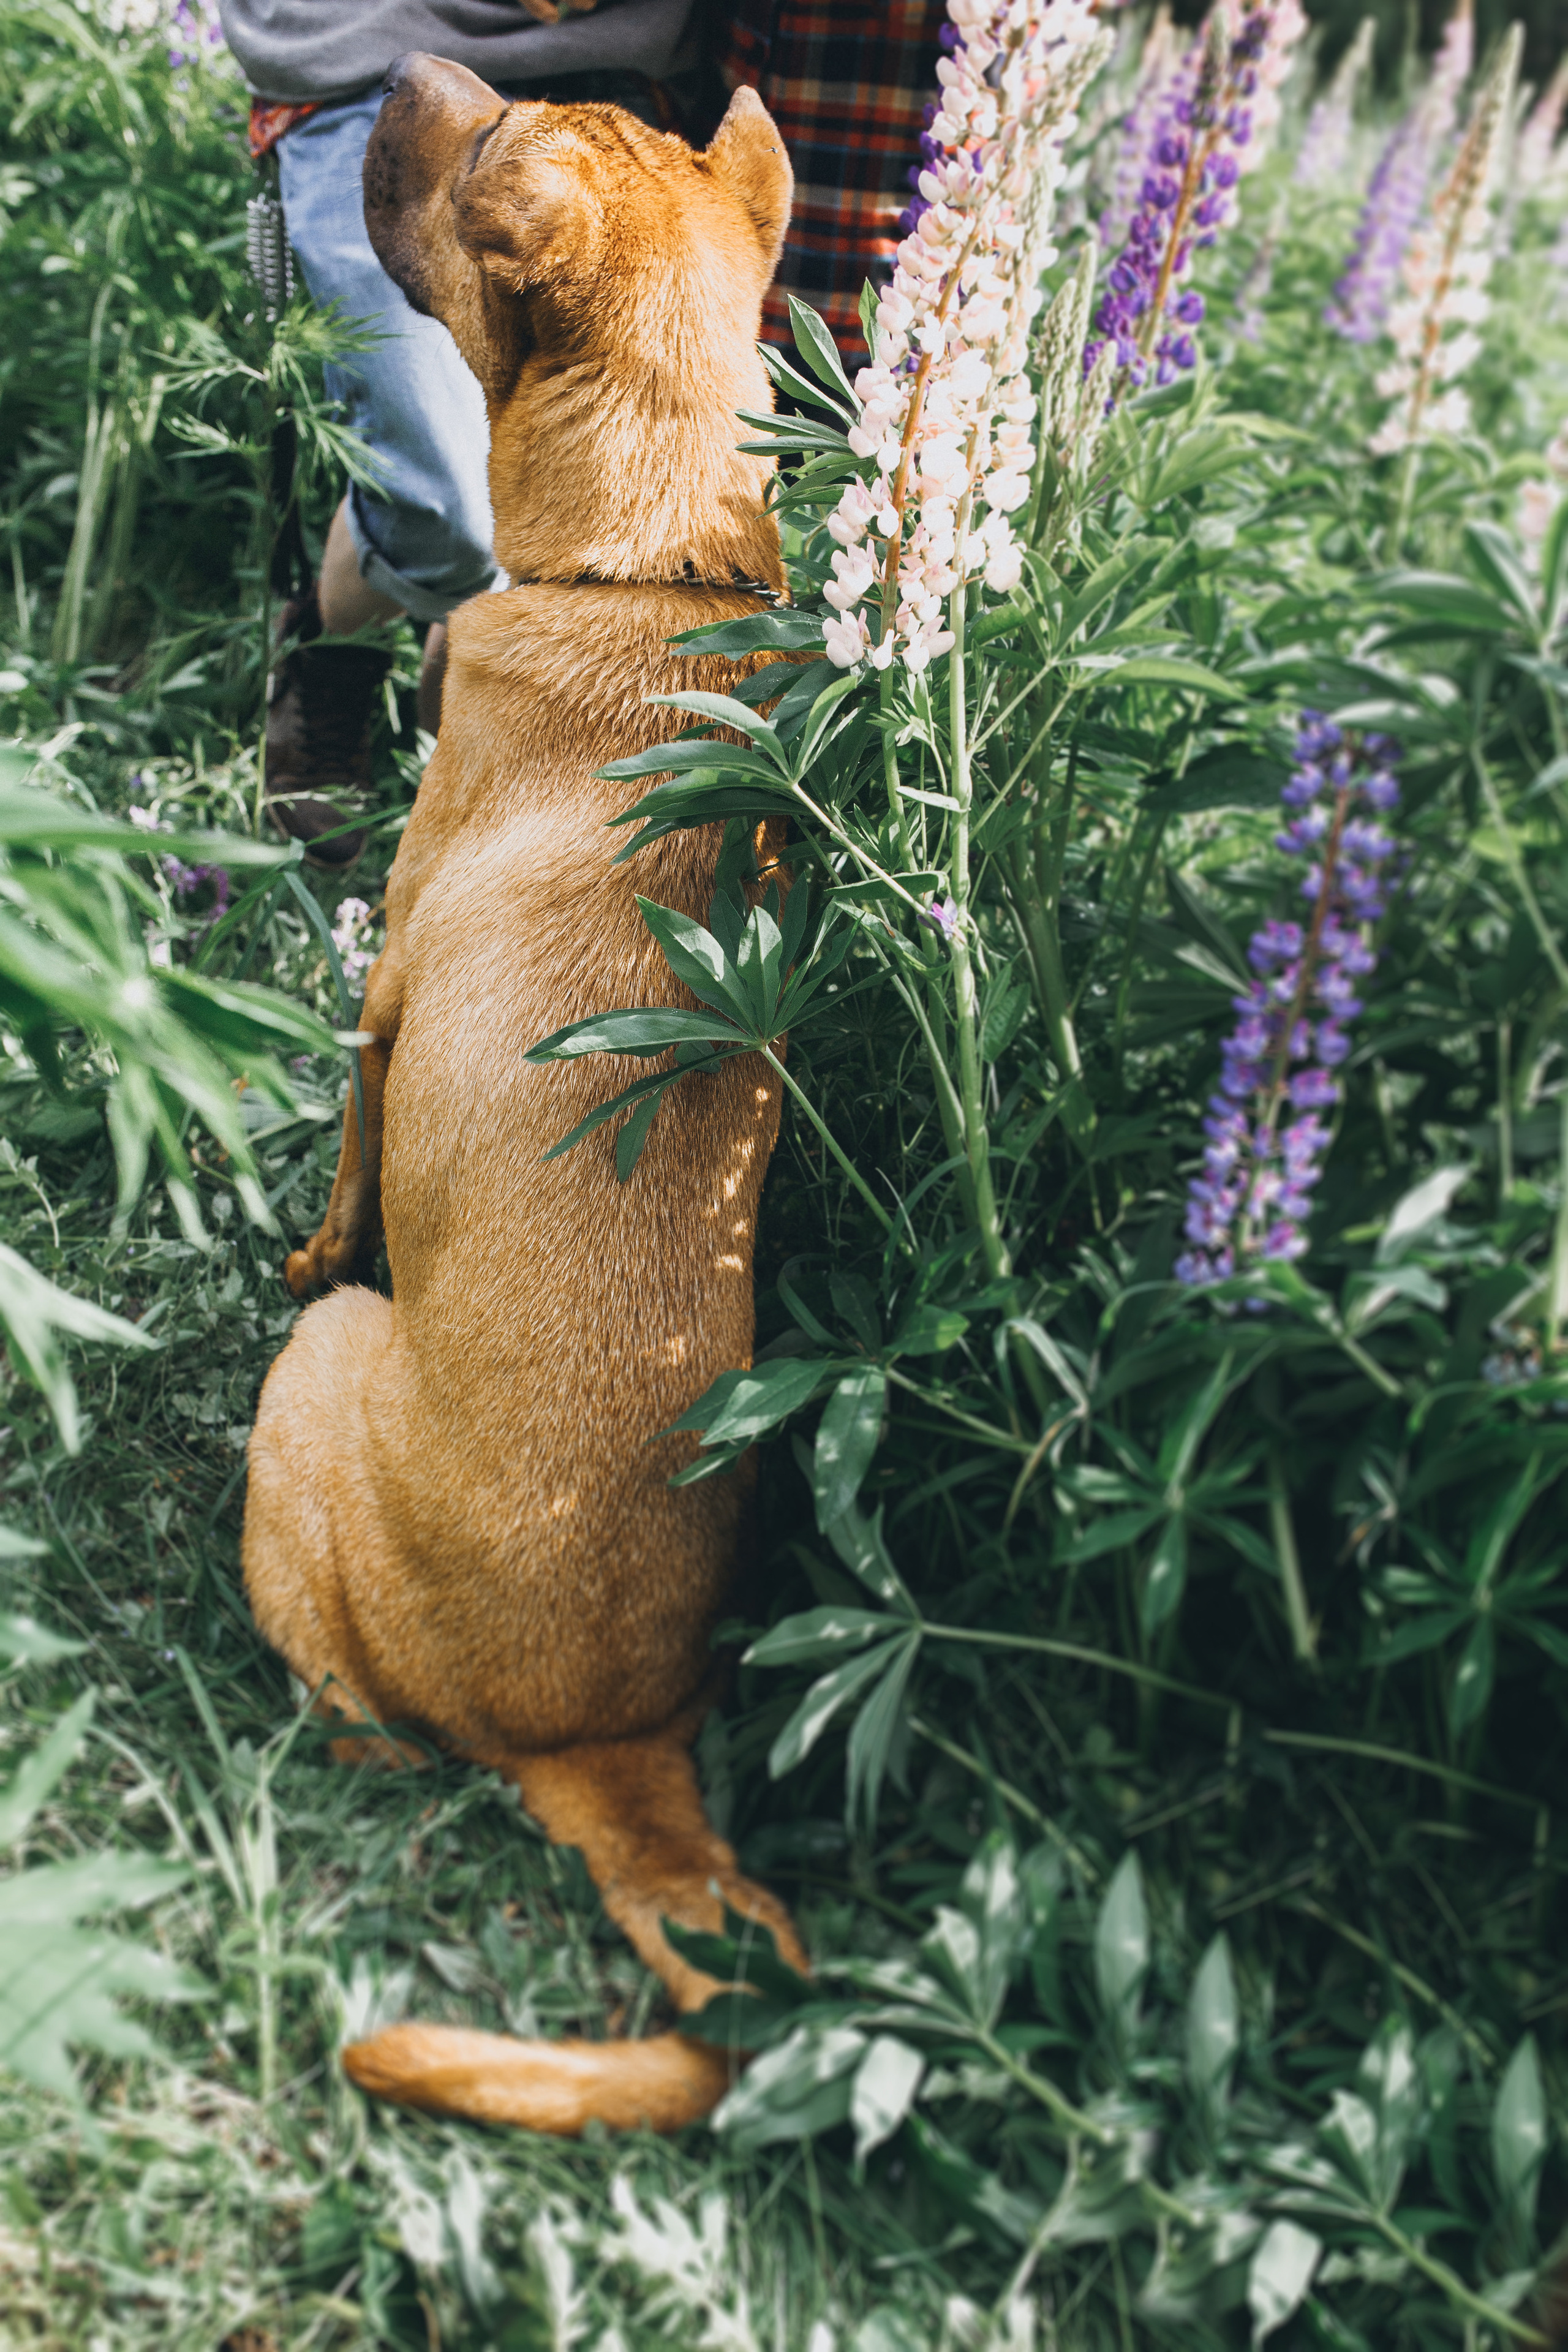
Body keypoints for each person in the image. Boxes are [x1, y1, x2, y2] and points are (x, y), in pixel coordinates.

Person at [218, 0, 944, 865]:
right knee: (447, 507)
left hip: (611, 74)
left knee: (632, 464)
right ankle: (331, 647)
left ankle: (473, 750)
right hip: (366, 49)